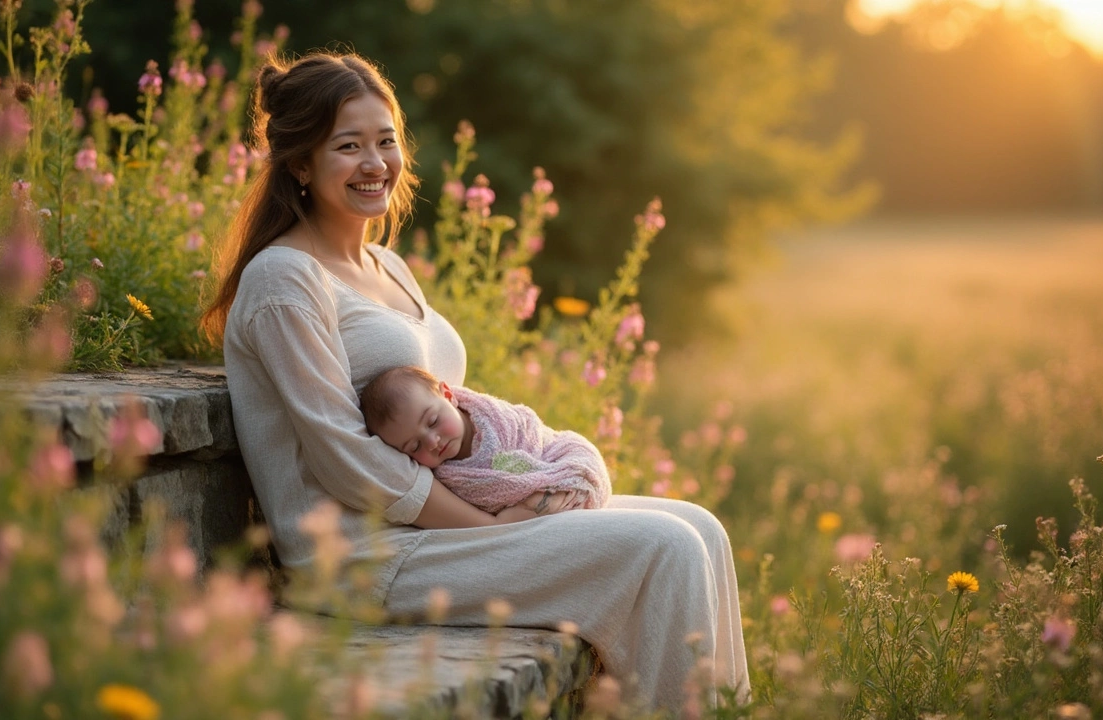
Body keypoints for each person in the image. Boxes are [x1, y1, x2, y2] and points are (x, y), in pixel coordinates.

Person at [200, 50, 750, 711]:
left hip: (442, 528)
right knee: (663, 547)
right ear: (300, 164)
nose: (375, 164)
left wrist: (529, 479)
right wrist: (490, 525)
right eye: (348, 146)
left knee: (700, 527)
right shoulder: (284, 279)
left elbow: (455, 411)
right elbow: (341, 458)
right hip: (367, 558)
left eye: (386, 141)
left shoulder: (386, 267)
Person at [359, 365, 612, 524]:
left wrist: (529, 489)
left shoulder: (495, 420)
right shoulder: (447, 479)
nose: (433, 442)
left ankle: (558, 497)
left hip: (554, 455)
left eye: (433, 421)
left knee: (583, 466)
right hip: (535, 492)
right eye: (414, 447)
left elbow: (530, 434)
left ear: (448, 395)